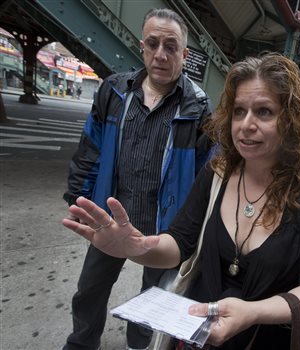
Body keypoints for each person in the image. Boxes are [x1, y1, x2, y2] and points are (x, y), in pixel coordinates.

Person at [62, 53, 300, 350]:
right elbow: (180, 243)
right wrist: (137, 248)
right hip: (198, 338)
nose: (246, 124)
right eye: (239, 111)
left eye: (264, 112)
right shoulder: (217, 172)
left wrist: (253, 313)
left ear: (290, 120)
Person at [61, 8, 212, 350]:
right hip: (111, 220)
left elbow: (206, 174)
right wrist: (79, 198)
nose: (161, 54)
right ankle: (81, 343)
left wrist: (192, 231)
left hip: (164, 228)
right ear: (141, 46)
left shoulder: (198, 108)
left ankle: (138, 345)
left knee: (152, 302)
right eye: (154, 43)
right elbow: (91, 148)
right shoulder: (114, 92)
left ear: (184, 55)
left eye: (171, 46)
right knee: (89, 291)